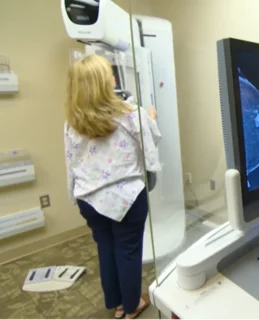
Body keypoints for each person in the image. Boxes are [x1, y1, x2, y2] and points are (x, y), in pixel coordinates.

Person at [64, 55, 161, 320]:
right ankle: (132, 308)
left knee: (105, 249)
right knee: (128, 251)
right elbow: (151, 149)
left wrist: (73, 193)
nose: (115, 79)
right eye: (110, 75)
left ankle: (117, 305)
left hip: (89, 199)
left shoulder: (73, 122)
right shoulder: (132, 115)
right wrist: (151, 118)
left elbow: (71, 161)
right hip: (125, 198)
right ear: (103, 84)